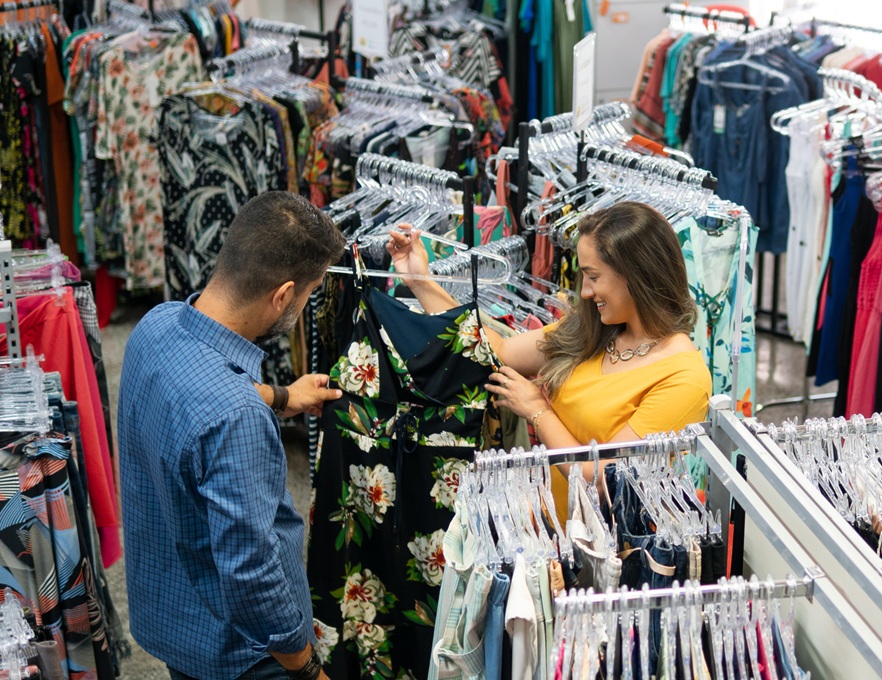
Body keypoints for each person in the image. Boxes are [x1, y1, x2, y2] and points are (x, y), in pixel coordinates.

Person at [119, 192, 347, 680]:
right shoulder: (234, 417)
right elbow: (252, 574)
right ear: (284, 295)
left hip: (174, 617)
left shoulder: (155, 326)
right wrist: (307, 670)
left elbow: (198, 404)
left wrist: (282, 396)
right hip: (245, 657)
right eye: (308, 293)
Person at [387, 201, 712, 454]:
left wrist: (537, 410)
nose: (585, 291)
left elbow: (605, 479)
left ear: (638, 276)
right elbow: (498, 351)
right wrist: (420, 280)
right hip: (549, 526)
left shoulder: (683, 379)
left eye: (594, 277)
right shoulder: (594, 330)